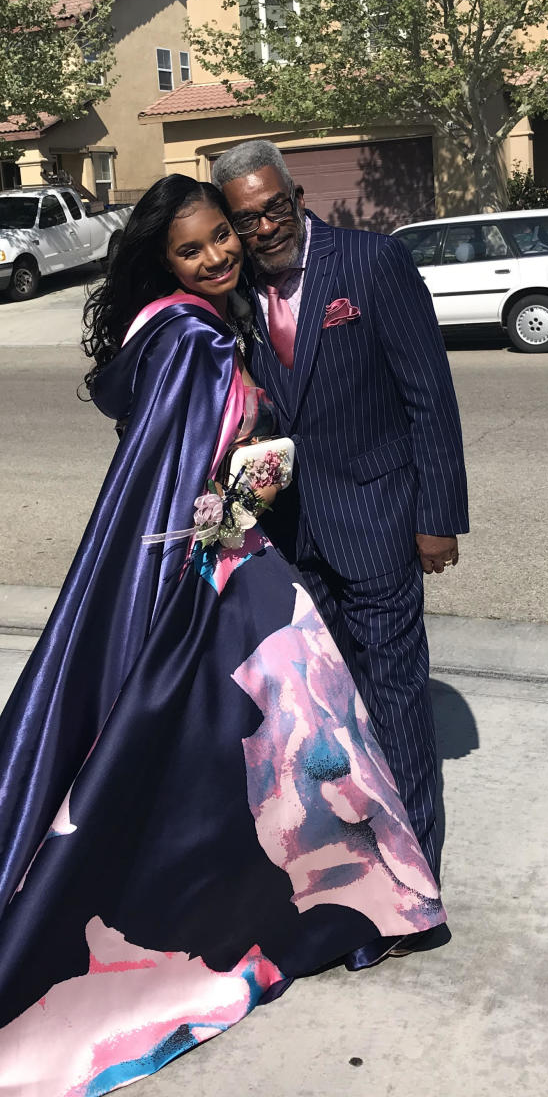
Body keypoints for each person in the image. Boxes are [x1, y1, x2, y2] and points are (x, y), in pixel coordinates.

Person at [0, 175, 447, 1097]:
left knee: (282, 748)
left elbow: (167, 468)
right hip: (213, 574)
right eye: (193, 249)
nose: (217, 257)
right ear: (166, 260)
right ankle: (350, 901)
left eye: (220, 240)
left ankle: (353, 891)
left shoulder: (173, 328)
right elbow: (167, 485)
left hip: (231, 560)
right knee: (285, 737)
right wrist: (220, 525)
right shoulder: (193, 341)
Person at [213, 141, 469, 887]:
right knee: (328, 714)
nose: (264, 229)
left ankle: (417, 881)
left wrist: (438, 515)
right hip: (294, 537)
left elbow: (429, 397)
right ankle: (353, 869)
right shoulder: (235, 295)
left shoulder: (372, 263)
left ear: (295, 196)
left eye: (273, 208)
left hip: (381, 520)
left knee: (394, 700)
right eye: (245, 219)